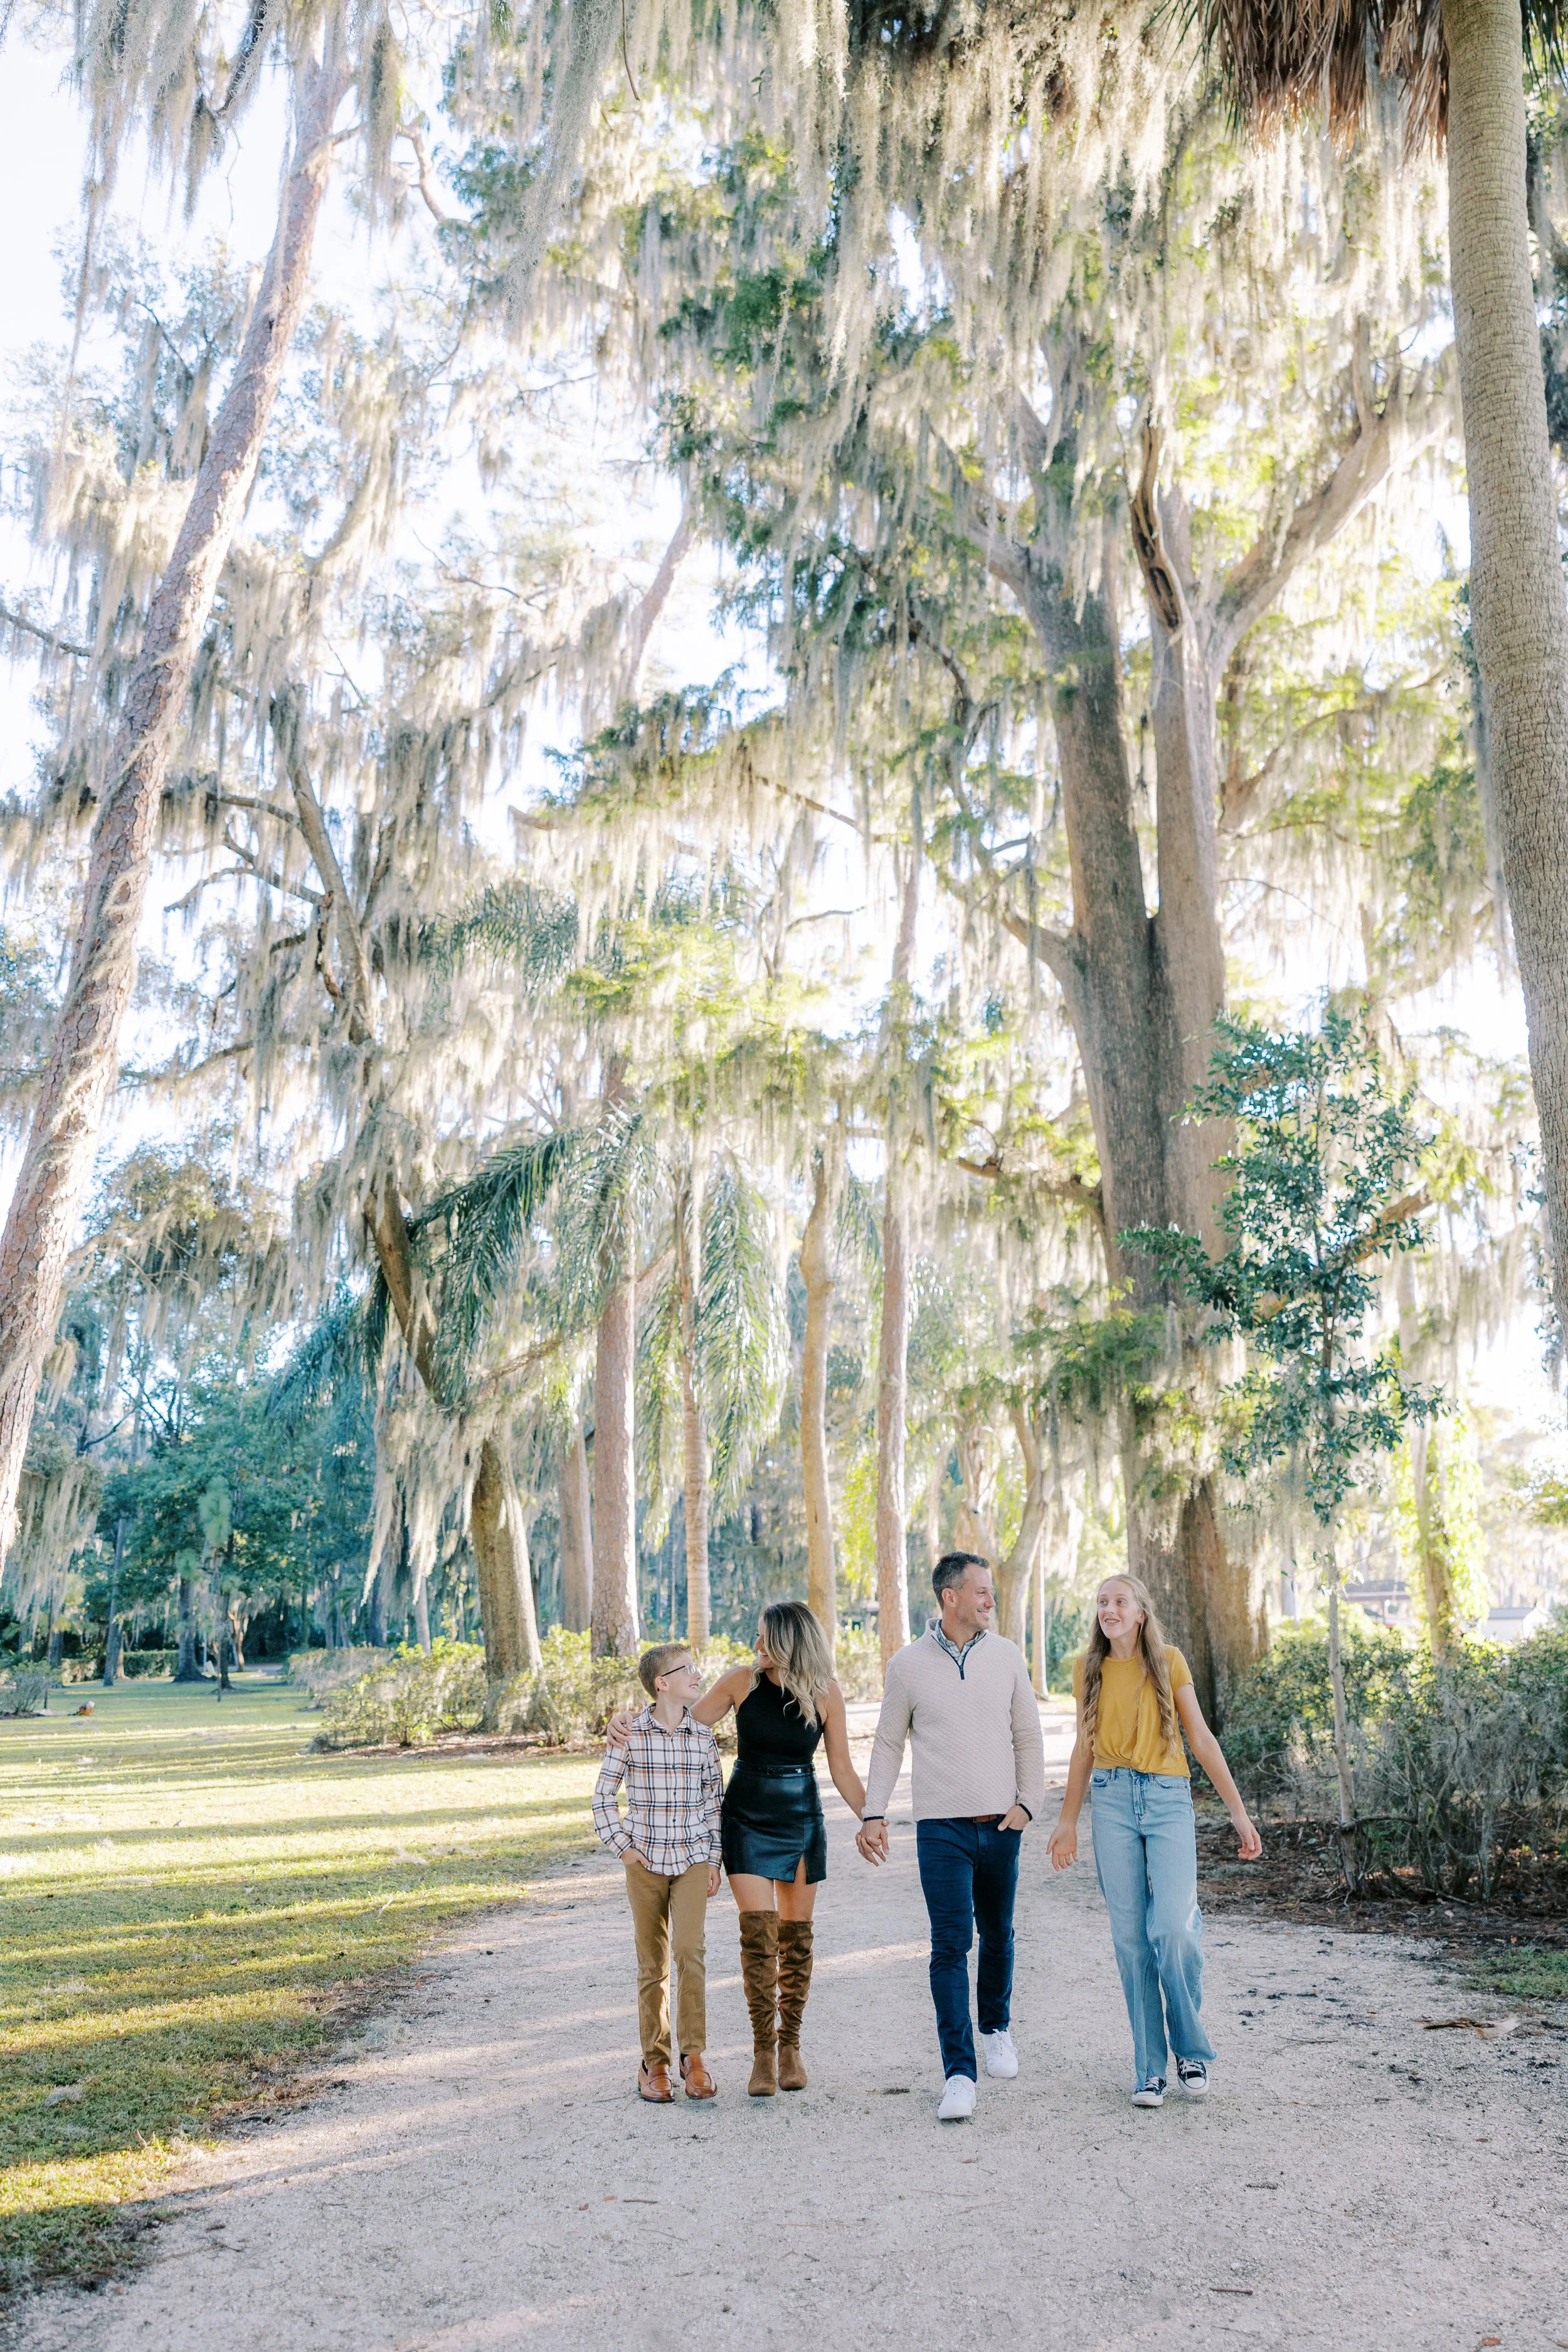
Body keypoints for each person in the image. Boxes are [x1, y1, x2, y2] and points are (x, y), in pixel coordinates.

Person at [608, 1600, 867, 2096]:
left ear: (789, 1641)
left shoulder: (825, 1692)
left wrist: (872, 1817)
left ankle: (789, 2046)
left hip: (801, 1820)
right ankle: (762, 2055)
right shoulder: (739, 1682)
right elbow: (679, 1725)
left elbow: (843, 1770)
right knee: (758, 1937)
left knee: (797, 1940)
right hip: (746, 1819)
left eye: (763, 1637)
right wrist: (624, 1724)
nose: (755, 1646)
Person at [1047, 1572, 1263, 2108]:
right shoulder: (1087, 1668)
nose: (1108, 1610)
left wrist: (1238, 1814)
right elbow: (1082, 1749)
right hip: (1112, 1799)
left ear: (1140, 1612)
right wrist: (1068, 1820)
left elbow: (1202, 1738)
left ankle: (1189, 2049)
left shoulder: (1168, 1661)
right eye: (1102, 1602)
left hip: (1168, 1799)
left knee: (1173, 1928)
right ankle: (1150, 2070)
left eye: (1119, 1601)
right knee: (1131, 1941)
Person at [856, 1551, 1046, 2122]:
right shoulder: (908, 1665)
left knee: (999, 1934)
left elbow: (1029, 1738)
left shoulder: (1008, 1656)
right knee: (948, 1945)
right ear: (951, 1597)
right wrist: (873, 1812)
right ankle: (959, 2073)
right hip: (941, 1830)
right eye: (982, 1591)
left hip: (1002, 1824)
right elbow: (889, 1742)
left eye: (990, 1592)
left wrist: (1028, 1806)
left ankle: (996, 2027)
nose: (991, 1600)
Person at [592, 1643, 724, 2104]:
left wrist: (714, 1857)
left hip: (691, 1860)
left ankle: (695, 2057)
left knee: (691, 1953)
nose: (697, 1674)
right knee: (652, 1964)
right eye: (686, 1669)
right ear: (661, 1683)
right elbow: (602, 1797)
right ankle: (655, 2061)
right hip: (645, 1862)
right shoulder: (630, 1735)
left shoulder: (703, 1738)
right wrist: (624, 1849)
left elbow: (714, 1804)